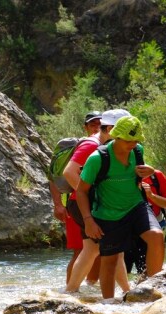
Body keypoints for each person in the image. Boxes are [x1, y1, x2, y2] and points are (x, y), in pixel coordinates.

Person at [77, 115, 165, 299]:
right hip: (108, 214)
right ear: (116, 136)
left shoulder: (138, 151)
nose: (133, 144)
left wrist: (151, 171)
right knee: (110, 260)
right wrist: (88, 221)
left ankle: (150, 287)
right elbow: (81, 191)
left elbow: (141, 176)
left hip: (136, 206)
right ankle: (108, 304)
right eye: (128, 140)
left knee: (156, 237)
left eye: (136, 140)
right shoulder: (97, 159)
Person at [64, 109, 132, 294]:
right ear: (110, 128)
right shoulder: (91, 146)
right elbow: (69, 172)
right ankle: (126, 291)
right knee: (107, 249)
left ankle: (71, 291)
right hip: (84, 204)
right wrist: (89, 197)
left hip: (87, 204)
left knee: (95, 250)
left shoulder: (106, 144)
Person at [49, 111, 102, 284]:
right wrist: (58, 205)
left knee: (99, 250)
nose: (96, 127)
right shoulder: (80, 147)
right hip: (76, 204)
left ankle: (90, 287)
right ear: (85, 127)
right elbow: (55, 177)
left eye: (100, 124)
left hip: (94, 205)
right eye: (93, 124)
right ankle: (71, 288)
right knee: (80, 249)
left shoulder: (103, 147)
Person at [124, 169, 166, 274]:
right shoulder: (116, 175)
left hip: (151, 233)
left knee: (148, 275)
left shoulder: (155, 176)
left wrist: (151, 195)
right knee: (121, 275)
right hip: (124, 232)